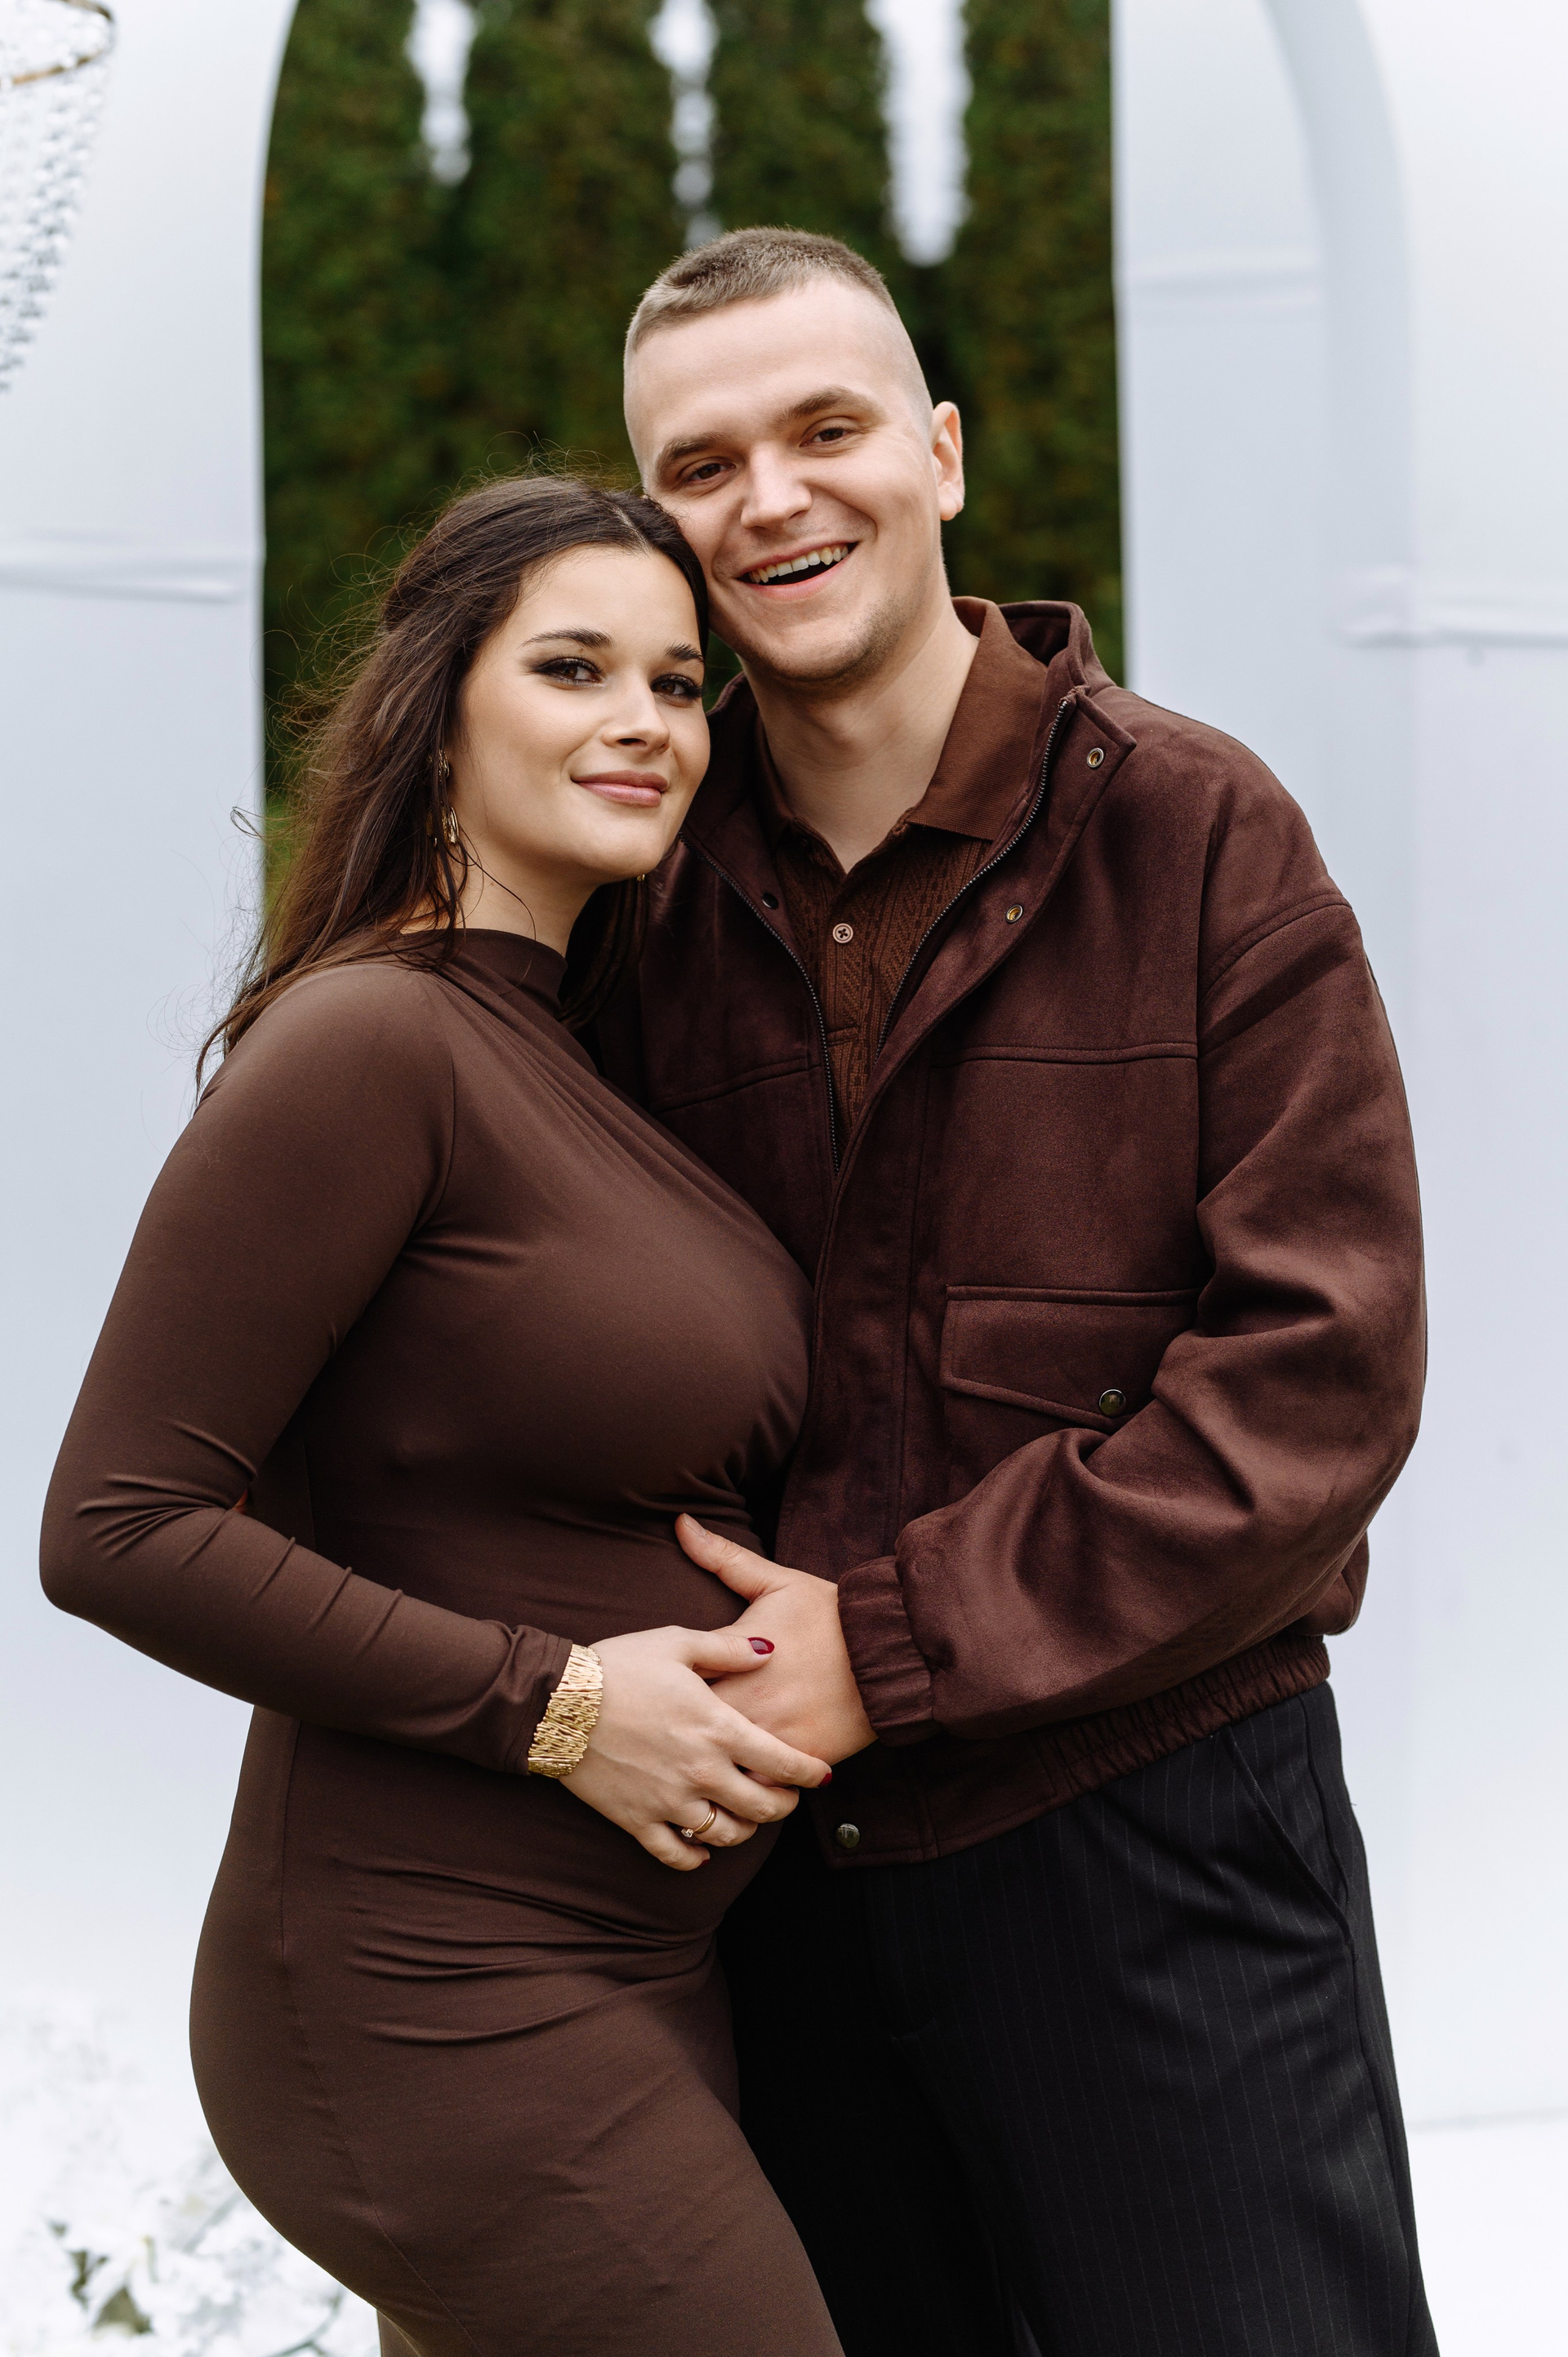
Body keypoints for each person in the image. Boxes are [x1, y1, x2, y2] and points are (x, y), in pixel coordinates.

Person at [600, 228, 1438, 2356]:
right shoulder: (631, 904)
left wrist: (886, 1645)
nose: (773, 498)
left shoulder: (1201, 834)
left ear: (944, 453)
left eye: (828, 427)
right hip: (765, 1891)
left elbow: (1319, 1380)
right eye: (702, 467)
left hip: (1157, 1845)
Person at [40, 475, 846, 2357]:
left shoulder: (568, 1059)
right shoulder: (369, 1043)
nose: (644, 722)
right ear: (440, 704)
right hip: (427, 1992)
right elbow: (119, 1527)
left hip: (634, 1974)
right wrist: (557, 1704)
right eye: (574, 668)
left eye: (679, 682)